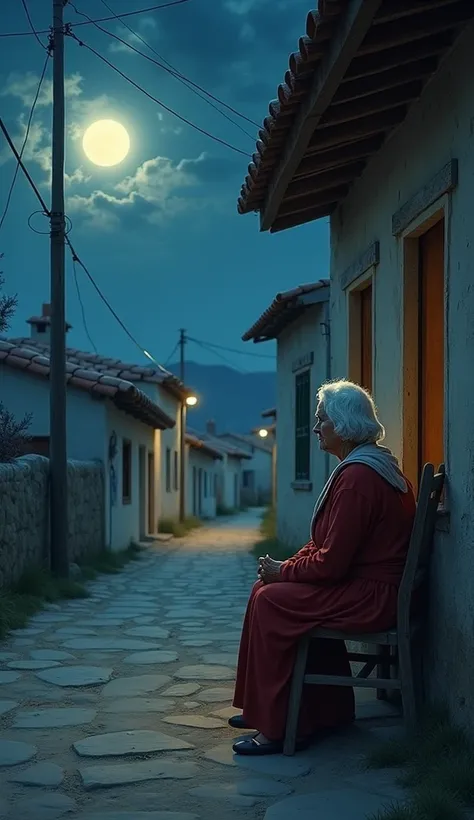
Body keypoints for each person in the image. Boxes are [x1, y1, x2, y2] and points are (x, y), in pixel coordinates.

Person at [230, 379, 416, 756]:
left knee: (271, 601)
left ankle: (276, 728)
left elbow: (331, 564)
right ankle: (297, 711)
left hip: (372, 595)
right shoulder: (366, 467)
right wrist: (288, 564)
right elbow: (326, 544)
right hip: (367, 586)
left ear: (344, 425)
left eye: (322, 421)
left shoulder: (357, 479)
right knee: (263, 590)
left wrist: (285, 572)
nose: (316, 429)